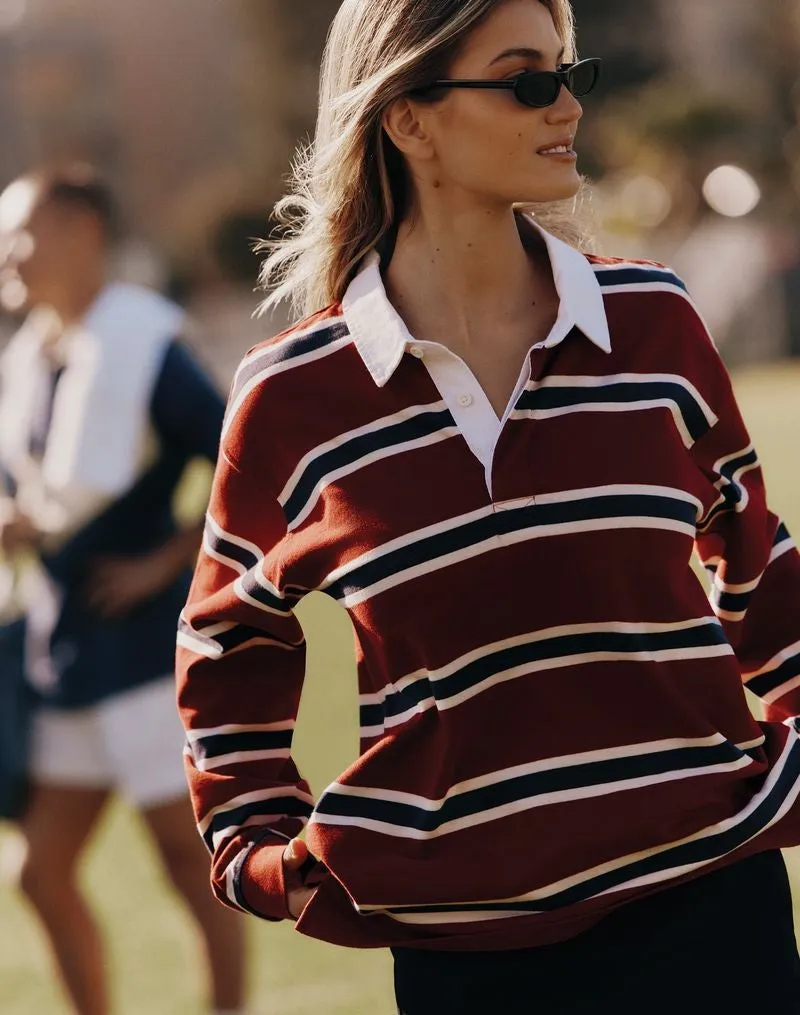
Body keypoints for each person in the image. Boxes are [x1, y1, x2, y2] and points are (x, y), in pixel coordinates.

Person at [176, 1, 800, 1012]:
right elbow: (225, 639)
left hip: (709, 914)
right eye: (523, 79)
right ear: (408, 118)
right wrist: (253, 839)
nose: (565, 105)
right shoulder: (292, 396)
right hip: (462, 953)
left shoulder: (652, 321)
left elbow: (758, 563)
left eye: (567, 73)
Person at [0, 167, 248, 1015]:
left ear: (82, 235)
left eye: (22, 234)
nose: (8, 254)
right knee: (40, 870)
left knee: (191, 864)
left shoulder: (147, 343)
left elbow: (243, 465)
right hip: (63, 652)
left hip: (146, 654)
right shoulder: (29, 358)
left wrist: (164, 564)